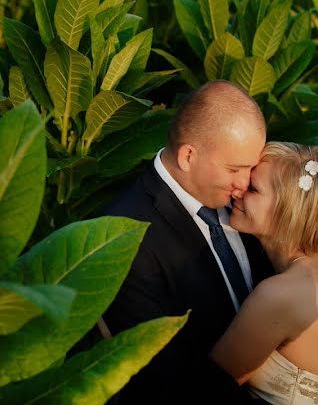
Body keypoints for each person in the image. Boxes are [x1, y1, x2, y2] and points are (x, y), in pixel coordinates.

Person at [102, 80, 275, 403]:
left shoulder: (244, 204)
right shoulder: (127, 236)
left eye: (251, 167)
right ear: (188, 156)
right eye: (234, 168)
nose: (245, 182)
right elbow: (170, 379)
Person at [210, 141, 318, 404]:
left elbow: (210, 388)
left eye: (253, 188)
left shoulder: (281, 294)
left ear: (289, 210)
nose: (239, 190)